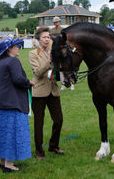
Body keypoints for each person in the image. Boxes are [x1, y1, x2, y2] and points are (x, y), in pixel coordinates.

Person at [0, 37, 34, 173]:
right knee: (11, 134)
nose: (18, 48)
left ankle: (3, 162)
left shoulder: (1, 63)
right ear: (9, 49)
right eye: (16, 46)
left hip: (0, 104)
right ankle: (9, 164)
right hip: (12, 104)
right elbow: (18, 79)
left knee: (2, 134)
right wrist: (29, 82)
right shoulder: (13, 61)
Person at [29, 27, 64, 160]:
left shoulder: (53, 51)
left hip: (53, 90)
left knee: (59, 119)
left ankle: (53, 145)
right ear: (38, 40)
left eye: (48, 37)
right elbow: (38, 72)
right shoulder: (33, 53)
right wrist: (49, 61)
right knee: (39, 122)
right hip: (39, 92)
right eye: (44, 37)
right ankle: (39, 150)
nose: (47, 39)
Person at [50, 16, 75, 91]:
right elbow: (51, 37)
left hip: (63, 49)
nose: (56, 23)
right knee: (60, 68)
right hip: (56, 50)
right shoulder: (52, 30)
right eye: (55, 22)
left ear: (59, 22)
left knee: (68, 67)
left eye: (57, 22)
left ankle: (72, 84)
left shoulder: (63, 29)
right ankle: (63, 84)